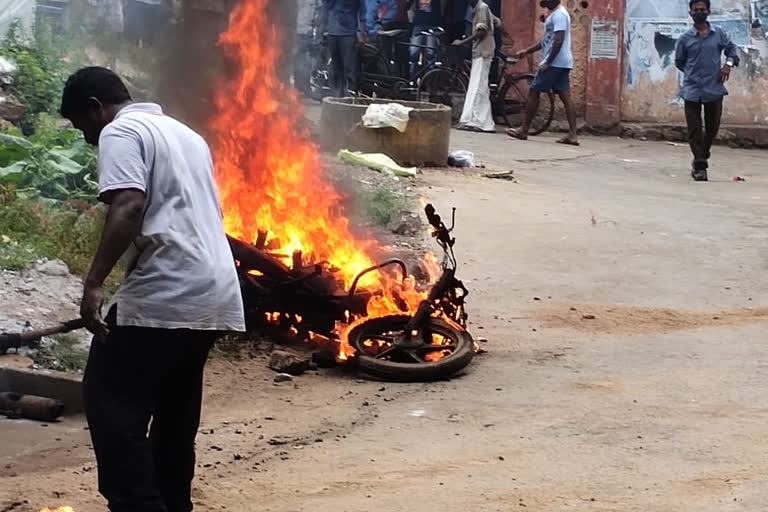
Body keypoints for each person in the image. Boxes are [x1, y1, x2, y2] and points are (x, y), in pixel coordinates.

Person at [59, 67, 246, 512]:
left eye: (80, 124)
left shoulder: (120, 131)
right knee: (175, 416)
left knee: (110, 405)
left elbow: (129, 203)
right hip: (215, 292)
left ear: (94, 108)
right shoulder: (186, 134)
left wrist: (94, 283)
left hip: (166, 291)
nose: (85, 136)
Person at [675, 0, 739, 182]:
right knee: (694, 130)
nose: (699, 12)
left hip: (714, 89)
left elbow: (732, 51)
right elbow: (680, 62)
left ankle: (700, 158)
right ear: (690, 13)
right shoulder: (685, 39)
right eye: (696, 10)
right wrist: (692, 74)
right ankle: (701, 167)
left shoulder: (718, 35)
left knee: (712, 128)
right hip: (692, 90)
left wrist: (727, 65)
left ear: (708, 12)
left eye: (702, 10)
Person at [508, 0, 579, 146]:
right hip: (563, 63)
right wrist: (527, 51)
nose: (543, 3)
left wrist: (548, 62)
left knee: (534, 91)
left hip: (554, 63)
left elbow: (558, 40)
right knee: (565, 96)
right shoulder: (555, 13)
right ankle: (572, 134)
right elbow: (546, 40)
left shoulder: (559, 15)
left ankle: (524, 129)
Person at [452, 0, 498, 132]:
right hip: (481, 51)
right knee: (479, 86)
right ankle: (482, 122)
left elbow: (481, 31)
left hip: (483, 52)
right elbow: (496, 22)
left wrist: (462, 42)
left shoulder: (482, 8)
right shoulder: (481, 8)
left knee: (478, 87)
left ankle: (477, 122)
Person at [325, 0, 367, 97]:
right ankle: (337, 96)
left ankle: (349, 96)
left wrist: (362, 32)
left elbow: (362, 12)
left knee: (349, 69)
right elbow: (325, 9)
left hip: (348, 34)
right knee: (336, 69)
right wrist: (323, 29)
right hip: (332, 33)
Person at [410, 0, 442, 79]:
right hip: (418, 24)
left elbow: (438, 11)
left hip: (432, 25)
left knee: (430, 53)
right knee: (414, 53)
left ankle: (428, 81)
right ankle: (412, 80)